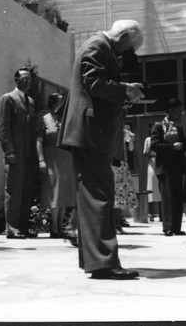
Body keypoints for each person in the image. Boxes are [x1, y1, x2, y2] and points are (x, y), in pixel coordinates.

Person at [58, 19, 144, 280]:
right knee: (100, 196)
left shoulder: (97, 45)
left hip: (90, 133)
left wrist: (122, 92)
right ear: (125, 37)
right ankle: (104, 262)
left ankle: (98, 261)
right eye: (129, 49)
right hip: (91, 134)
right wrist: (126, 90)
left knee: (93, 197)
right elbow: (93, 83)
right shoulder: (98, 45)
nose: (126, 55)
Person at [0, 67, 39, 239]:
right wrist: (9, 151)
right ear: (16, 79)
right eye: (24, 78)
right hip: (15, 153)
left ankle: (22, 226)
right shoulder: (8, 99)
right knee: (14, 190)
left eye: (29, 78)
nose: (27, 81)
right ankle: (11, 227)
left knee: (26, 190)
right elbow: (3, 128)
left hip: (28, 153)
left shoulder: (31, 101)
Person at [36, 92, 77, 238]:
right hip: (52, 160)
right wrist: (41, 160)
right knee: (55, 193)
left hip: (66, 159)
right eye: (61, 102)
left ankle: (60, 227)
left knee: (64, 194)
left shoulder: (64, 119)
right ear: (53, 103)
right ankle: (54, 227)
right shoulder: (44, 119)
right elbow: (39, 141)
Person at [151, 98, 186, 237]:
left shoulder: (179, 127)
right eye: (178, 110)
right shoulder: (158, 126)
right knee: (168, 198)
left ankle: (177, 227)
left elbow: (184, 145)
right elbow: (155, 145)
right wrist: (172, 147)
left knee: (178, 198)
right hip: (166, 168)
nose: (180, 113)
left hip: (178, 167)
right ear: (170, 110)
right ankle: (168, 227)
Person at [112, 125, 138, 234]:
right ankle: (113, 225)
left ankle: (118, 224)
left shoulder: (125, 132)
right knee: (114, 196)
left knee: (121, 196)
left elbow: (131, 149)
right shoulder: (109, 131)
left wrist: (131, 140)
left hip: (122, 164)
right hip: (112, 163)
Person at [143, 123, 161, 222]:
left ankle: (162, 214)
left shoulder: (160, 138)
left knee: (160, 187)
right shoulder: (148, 139)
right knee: (150, 187)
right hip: (151, 162)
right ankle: (151, 214)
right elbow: (144, 154)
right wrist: (149, 148)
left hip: (161, 162)